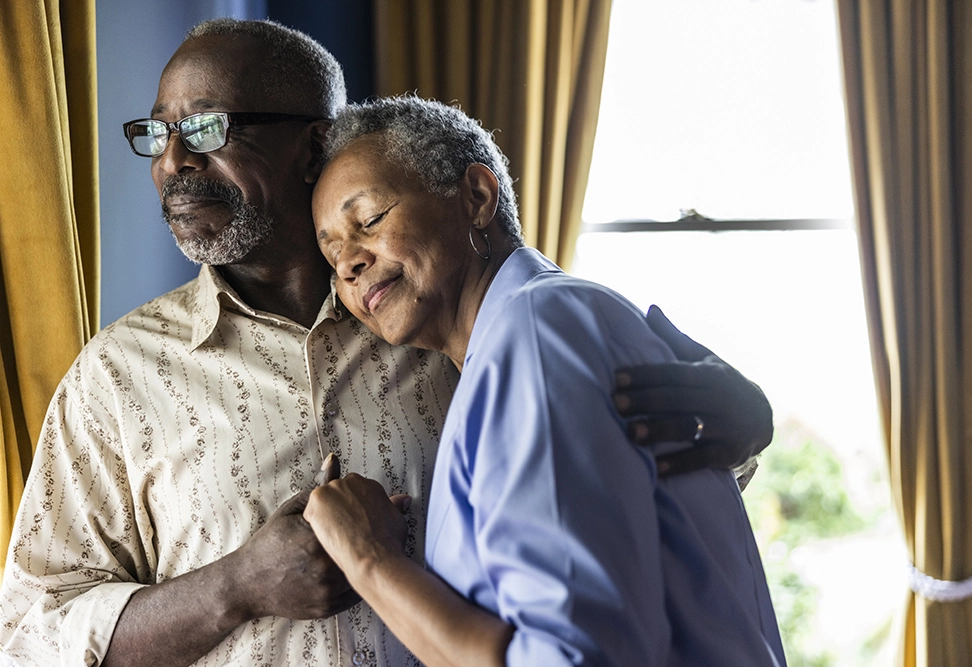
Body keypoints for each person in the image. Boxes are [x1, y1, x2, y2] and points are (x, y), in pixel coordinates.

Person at [0, 18, 773, 667]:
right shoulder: (115, 378)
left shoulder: (461, 325)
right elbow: (29, 635)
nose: (172, 162)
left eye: (205, 127)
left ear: (314, 145)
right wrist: (234, 585)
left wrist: (737, 427)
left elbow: (617, 517)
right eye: (158, 136)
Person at [304, 95, 786, 666]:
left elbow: (568, 658)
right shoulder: (517, 342)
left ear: (477, 198)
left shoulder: (535, 332)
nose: (349, 264)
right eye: (332, 253)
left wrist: (370, 561)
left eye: (370, 221)